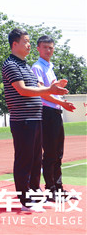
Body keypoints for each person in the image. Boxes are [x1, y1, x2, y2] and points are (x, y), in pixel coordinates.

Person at [2, 28, 68, 212]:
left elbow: (38, 87)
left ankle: (35, 192)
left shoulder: (24, 65)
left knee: (36, 159)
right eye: (26, 41)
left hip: (36, 117)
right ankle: (25, 199)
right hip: (22, 119)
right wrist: (49, 90)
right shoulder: (10, 64)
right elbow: (22, 90)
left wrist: (53, 90)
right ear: (15, 44)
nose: (29, 45)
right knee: (24, 159)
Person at [31, 35, 76, 202]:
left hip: (55, 111)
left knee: (58, 152)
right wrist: (61, 102)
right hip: (46, 112)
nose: (48, 50)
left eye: (50, 47)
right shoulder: (37, 67)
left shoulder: (50, 67)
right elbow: (42, 92)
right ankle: (51, 189)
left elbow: (51, 91)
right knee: (50, 152)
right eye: (45, 47)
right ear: (38, 49)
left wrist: (60, 97)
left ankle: (58, 187)